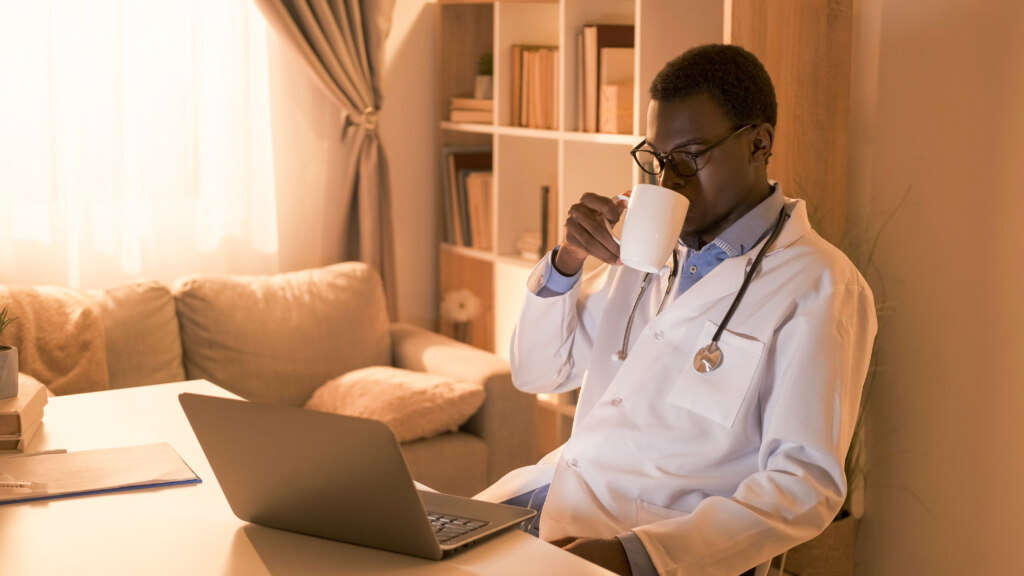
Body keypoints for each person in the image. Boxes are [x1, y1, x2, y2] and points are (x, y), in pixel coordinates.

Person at [473, 44, 877, 576]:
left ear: (759, 143)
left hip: (647, 546)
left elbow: (803, 486)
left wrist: (637, 556)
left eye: (690, 156)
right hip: (552, 499)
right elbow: (538, 372)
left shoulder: (819, 284)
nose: (669, 180)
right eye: (658, 160)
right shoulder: (649, 248)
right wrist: (567, 262)